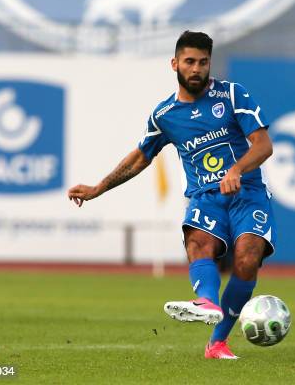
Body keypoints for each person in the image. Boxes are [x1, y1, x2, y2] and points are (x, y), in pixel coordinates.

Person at [67, 31, 275, 358]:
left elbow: (263, 145)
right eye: (190, 62)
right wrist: (97, 189)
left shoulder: (233, 95)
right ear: (174, 64)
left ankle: (216, 342)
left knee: (247, 258)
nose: (196, 69)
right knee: (198, 243)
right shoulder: (164, 115)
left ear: (210, 64)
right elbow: (139, 158)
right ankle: (206, 301)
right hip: (206, 197)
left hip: (246, 192)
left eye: (203, 62)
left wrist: (237, 169)